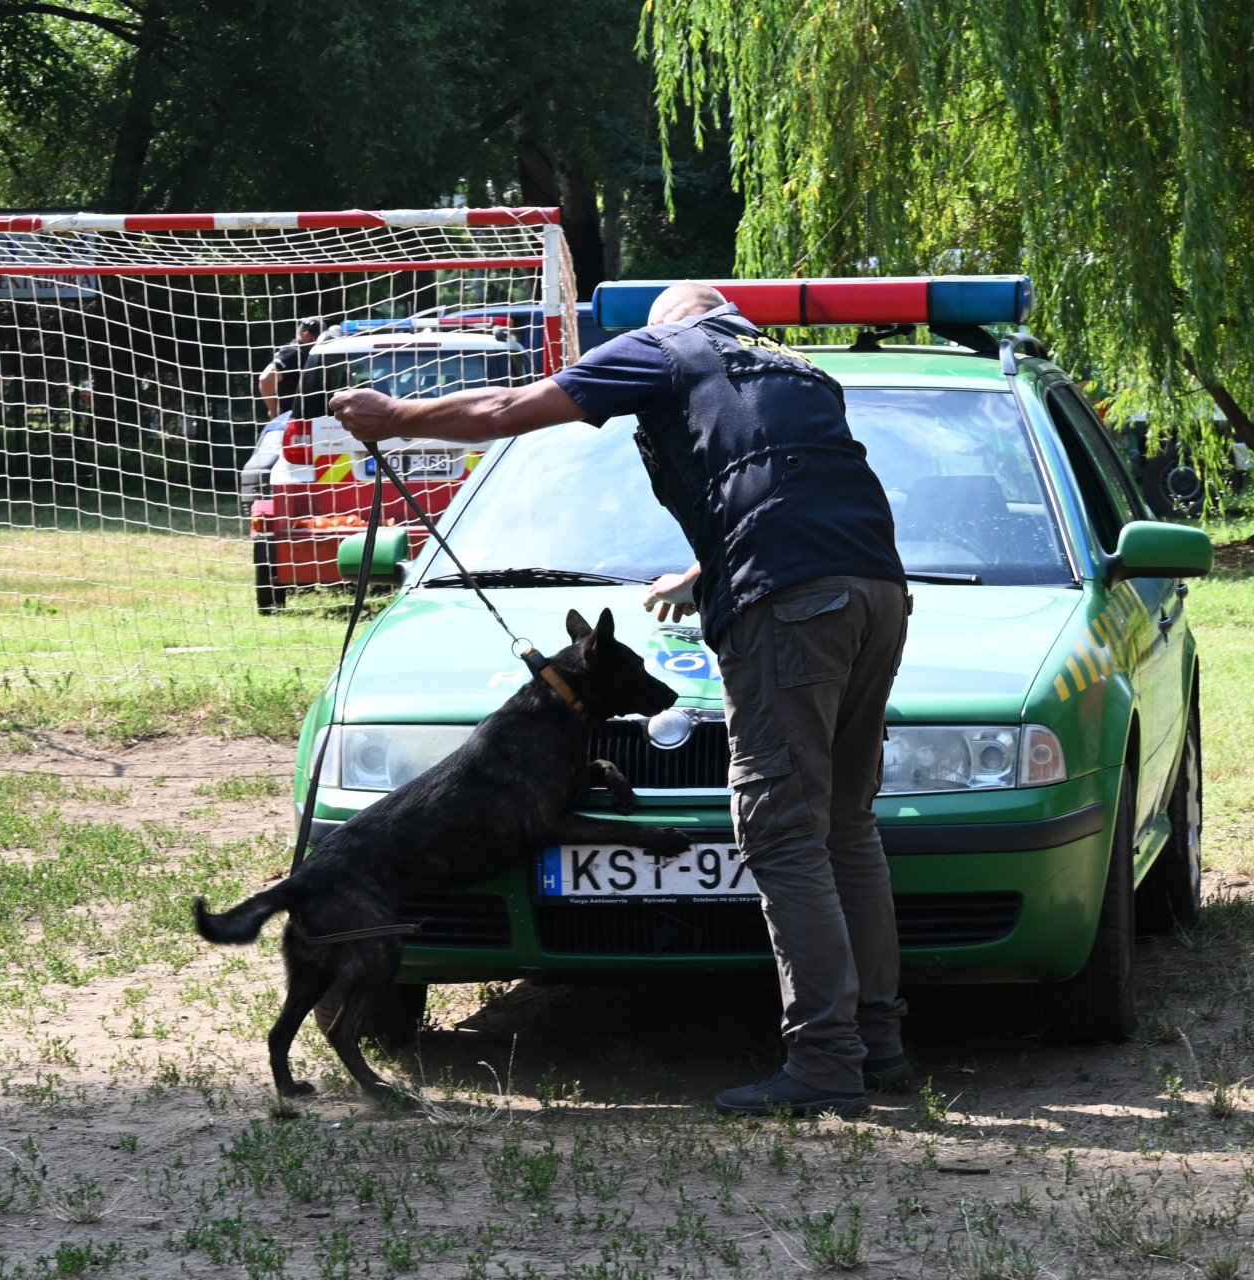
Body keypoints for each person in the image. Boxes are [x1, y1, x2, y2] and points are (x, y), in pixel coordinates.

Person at [329, 283, 911, 1118]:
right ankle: (879, 1043)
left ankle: (825, 1061)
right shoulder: (796, 368)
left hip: (790, 609)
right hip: (877, 593)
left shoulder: (664, 349)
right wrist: (702, 572)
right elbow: (798, 495)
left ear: (666, 322)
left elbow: (505, 408)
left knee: (783, 832)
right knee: (846, 825)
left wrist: (395, 416)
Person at [259, 317, 324, 417]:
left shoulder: (304, 352)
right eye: (318, 337)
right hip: (291, 417)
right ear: (306, 335)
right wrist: (274, 411)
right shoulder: (293, 353)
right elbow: (265, 379)